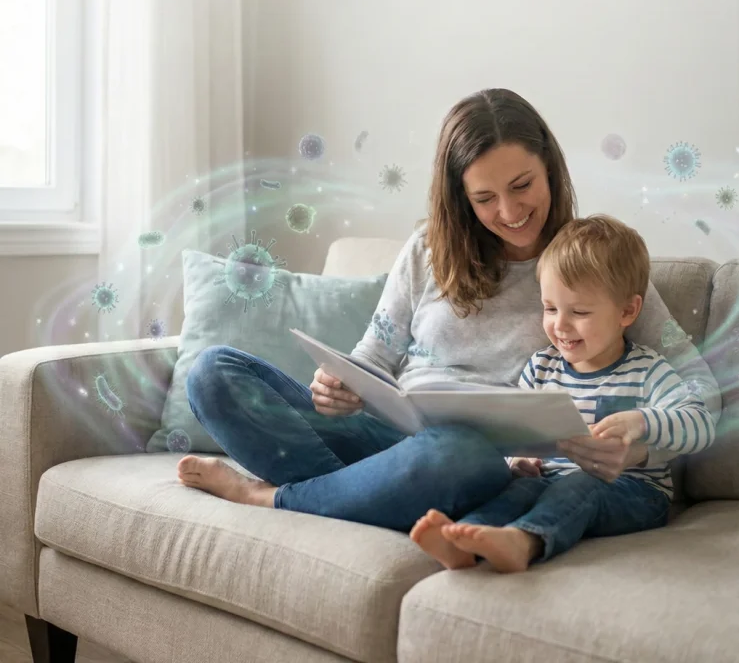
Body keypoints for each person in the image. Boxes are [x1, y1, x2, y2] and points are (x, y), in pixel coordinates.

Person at [177, 89, 721, 534]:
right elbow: (373, 357)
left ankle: (271, 497)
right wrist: (339, 386)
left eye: (522, 186)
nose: (509, 211)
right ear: (461, 197)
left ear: (550, 171)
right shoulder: (427, 251)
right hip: (387, 443)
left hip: (475, 465)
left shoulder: (590, 269)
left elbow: (700, 391)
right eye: (485, 198)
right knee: (213, 373)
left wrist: (638, 442)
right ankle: (363, 495)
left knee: (455, 454)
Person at [409, 214, 716, 572]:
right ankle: (465, 537)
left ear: (627, 311)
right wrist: (516, 461)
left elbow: (701, 424)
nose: (560, 325)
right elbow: (514, 434)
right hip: (549, 484)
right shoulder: (540, 367)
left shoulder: (648, 370)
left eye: (579, 312)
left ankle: (525, 542)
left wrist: (642, 422)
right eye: (550, 308)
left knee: (582, 485)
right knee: (518, 490)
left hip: (636, 494)